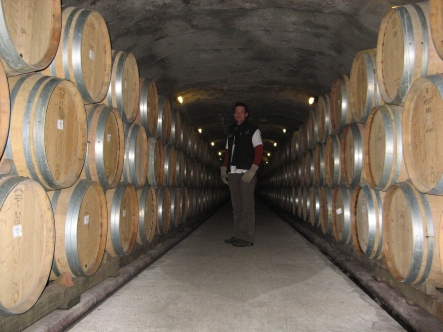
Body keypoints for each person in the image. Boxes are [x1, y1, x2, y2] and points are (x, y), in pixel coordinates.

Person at [221, 102, 263, 247]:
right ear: (234, 114)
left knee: (247, 206)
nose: (238, 114)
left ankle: (247, 237)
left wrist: (253, 170)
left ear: (246, 114)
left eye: (241, 112)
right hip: (233, 173)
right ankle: (237, 234)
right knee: (237, 206)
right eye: (236, 112)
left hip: (246, 173)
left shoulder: (253, 130)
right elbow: (228, 152)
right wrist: (223, 169)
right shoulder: (231, 130)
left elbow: (259, 151)